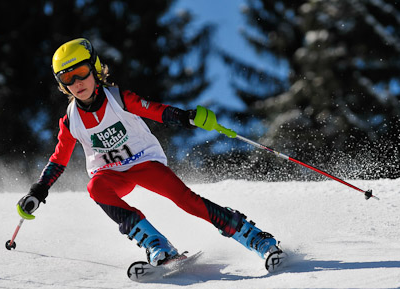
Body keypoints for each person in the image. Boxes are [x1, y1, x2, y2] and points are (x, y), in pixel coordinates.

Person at [17, 38, 284, 271]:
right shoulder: (71, 120)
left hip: (143, 162)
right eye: (67, 78)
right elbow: (58, 159)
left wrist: (187, 117)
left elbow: (155, 110)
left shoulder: (118, 98)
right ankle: (157, 245)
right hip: (110, 173)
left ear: (95, 69)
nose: (77, 82)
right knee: (95, 187)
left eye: (82, 72)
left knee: (186, 200)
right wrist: (37, 191)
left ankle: (254, 237)